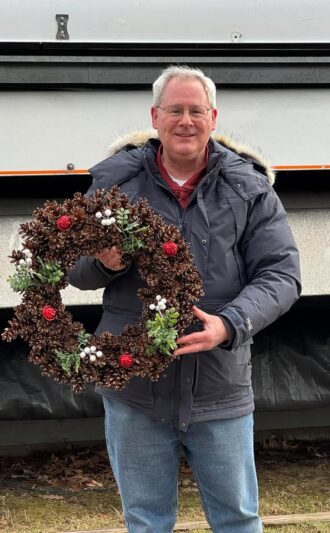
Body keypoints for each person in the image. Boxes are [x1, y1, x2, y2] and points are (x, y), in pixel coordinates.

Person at [68, 65, 301, 533]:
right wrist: (103, 263)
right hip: (134, 388)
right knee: (146, 521)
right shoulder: (113, 184)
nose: (186, 121)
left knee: (237, 520)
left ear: (213, 117)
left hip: (219, 388)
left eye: (196, 111)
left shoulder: (248, 187)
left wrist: (230, 324)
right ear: (155, 116)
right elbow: (73, 267)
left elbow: (282, 275)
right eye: (174, 110)